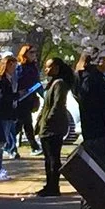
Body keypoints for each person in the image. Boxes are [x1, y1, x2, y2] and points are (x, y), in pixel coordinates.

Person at [33, 55, 76, 196]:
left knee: (53, 158)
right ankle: (49, 184)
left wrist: (48, 120)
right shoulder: (52, 83)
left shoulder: (60, 84)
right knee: (48, 158)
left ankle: (54, 186)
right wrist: (40, 121)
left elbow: (57, 105)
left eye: (49, 67)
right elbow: (46, 105)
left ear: (56, 68)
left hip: (54, 127)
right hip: (47, 126)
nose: (46, 69)